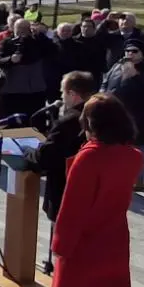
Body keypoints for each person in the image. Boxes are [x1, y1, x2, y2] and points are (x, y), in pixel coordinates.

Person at [46, 93, 142, 287]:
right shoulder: (132, 155)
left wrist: (60, 245)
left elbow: (73, 208)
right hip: (114, 237)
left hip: (86, 242)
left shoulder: (90, 157)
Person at [26, 71, 98, 273]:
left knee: (64, 238)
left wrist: (29, 154)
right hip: (88, 189)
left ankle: (61, 273)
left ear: (73, 94)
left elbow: (47, 156)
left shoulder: (70, 121)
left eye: (63, 92)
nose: (61, 97)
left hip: (64, 186)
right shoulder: (95, 114)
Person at [102, 42, 144, 181]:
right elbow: (106, 82)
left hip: (137, 114)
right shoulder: (117, 65)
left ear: (142, 54)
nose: (130, 54)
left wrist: (134, 74)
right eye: (127, 51)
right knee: (112, 143)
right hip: (114, 110)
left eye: (134, 51)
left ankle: (137, 179)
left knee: (137, 146)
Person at [0, 19, 51, 120]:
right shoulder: (7, 42)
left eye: (25, 28)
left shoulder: (37, 42)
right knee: (9, 120)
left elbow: (53, 50)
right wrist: (10, 59)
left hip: (34, 90)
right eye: (19, 28)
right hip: (11, 90)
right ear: (13, 29)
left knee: (34, 120)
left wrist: (40, 35)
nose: (22, 31)